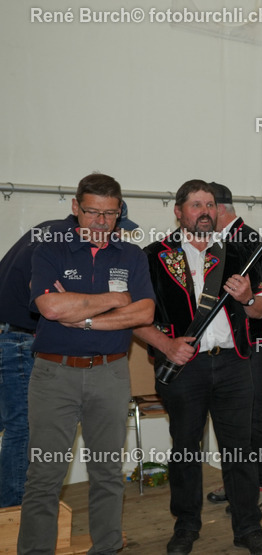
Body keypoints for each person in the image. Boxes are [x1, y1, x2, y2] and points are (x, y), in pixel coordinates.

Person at [17, 174, 156, 555]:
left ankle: (106, 548)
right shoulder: (50, 250)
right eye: (93, 212)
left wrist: (84, 317)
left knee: (107, 472)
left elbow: (144, 312)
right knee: (44, 475)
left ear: (119, 211)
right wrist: (116, 299)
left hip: (110, 374)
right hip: (54, 374)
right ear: (76, 207)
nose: (101, 222)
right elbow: (50, 307)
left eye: (110, 214)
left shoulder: (131, 256)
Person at [146, 180, 262, 555]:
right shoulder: (155, 256)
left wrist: (248, 298)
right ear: (178, 211)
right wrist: (167, 346)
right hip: (185, 368)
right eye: (196, 205)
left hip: (234, 364)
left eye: (210, 205)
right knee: (186, 449)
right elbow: (138, 316)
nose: (205, 211)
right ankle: (185, 526)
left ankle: (249, 527)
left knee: (240, 451)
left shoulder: (238, 252)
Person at [204, 182, 262, 511]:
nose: (202, 214)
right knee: (231, 414)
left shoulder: (246, 239)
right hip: (236, 341)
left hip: (256, 340)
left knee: (252, 412)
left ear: (219, 209)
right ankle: (239, 480)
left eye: (207, 207)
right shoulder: (223, 240)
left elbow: (259, 297)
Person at [0, 210, 77, 508]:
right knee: (23, 427)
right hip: (19, 339)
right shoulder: (66, 241)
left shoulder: (46, 229)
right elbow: (52, 300)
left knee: (10, 422)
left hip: (7, 334)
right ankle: (15, 513)